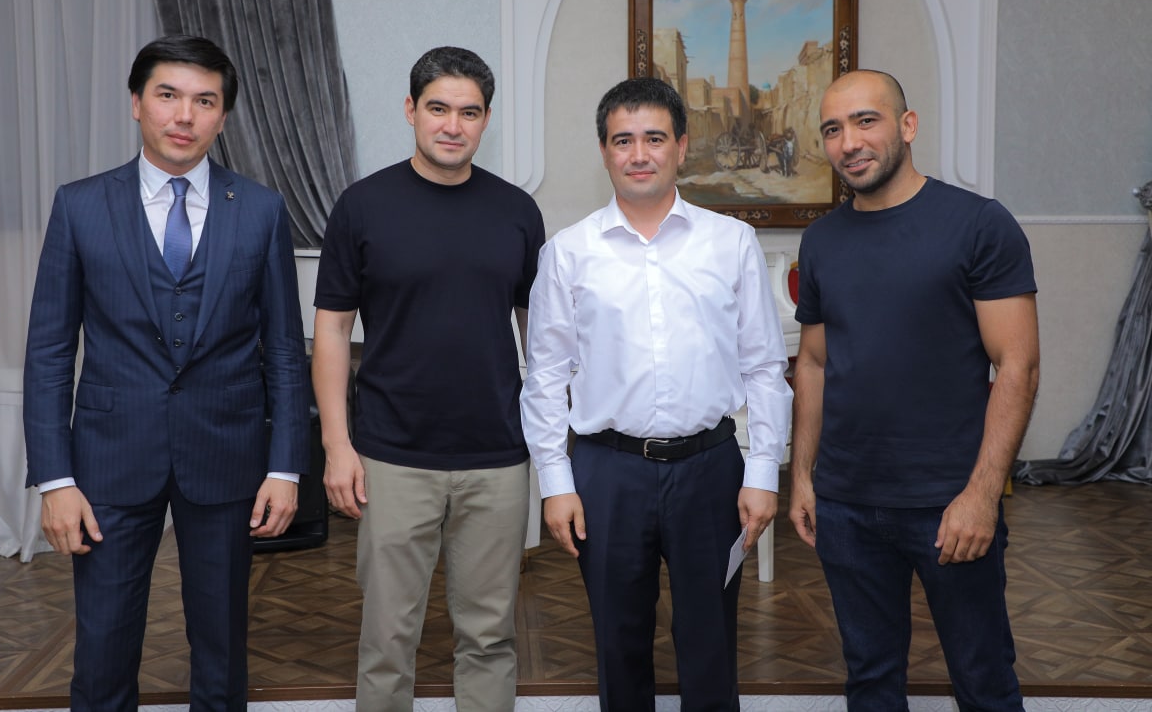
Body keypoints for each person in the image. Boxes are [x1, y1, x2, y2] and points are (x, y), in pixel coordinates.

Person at [23, 34, 308, 711]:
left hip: (228, 456)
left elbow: (283, 350)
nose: (185, 115)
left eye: (204, 101)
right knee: (102, 650)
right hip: (109, 459)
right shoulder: (80, 205)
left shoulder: (261, 209)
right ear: (136, 103)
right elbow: (49, 351)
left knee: (222, 648)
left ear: (223, 116)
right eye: (168, 95)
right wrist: (56, 479)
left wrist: (286, 466)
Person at [520, 77, 793, 711]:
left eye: (653, 138)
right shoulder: (568, 253)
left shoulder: (730, 242)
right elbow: (545, 376)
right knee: (618, 645)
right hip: (606, 474)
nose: (638, 154)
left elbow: (763, 365)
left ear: (682, 146)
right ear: (604, 151)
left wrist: (763, 472)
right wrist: (555, 483)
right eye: (623, 141)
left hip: (711, 470)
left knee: (711, 643)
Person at [788, 69, 1040, 711]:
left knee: (983, 681)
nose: (849, 142)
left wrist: (981, 496)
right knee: (870, 681)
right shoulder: (821, 241)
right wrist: (804, 478)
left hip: (948, 502)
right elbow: (812, 363)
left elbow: (1017, 365)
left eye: (865, 121)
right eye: (833, 129)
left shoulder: (979, 224)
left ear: (908, 125)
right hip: (846, 504)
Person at [311, 46, 545, 712]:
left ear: (486, 119)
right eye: (438, 108)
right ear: (411, 109)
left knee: (490, 636)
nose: (452, 125)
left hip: (496, 457)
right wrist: (336, 444)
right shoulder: (362, 206)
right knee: (387, 640)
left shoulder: (516, 211)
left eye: (469, 112)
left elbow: (542, 338)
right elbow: (332, 331)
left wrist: (550, 443)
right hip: (391, 456)